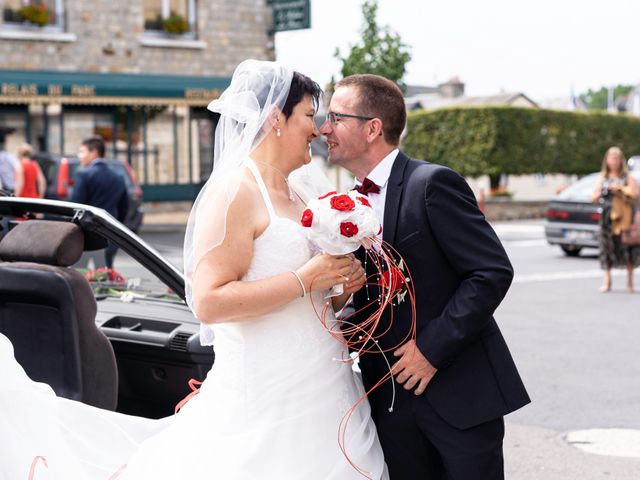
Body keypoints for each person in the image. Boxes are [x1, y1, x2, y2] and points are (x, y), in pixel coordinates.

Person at [0, 60, 388, 479]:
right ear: (276, 117)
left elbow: (316, 289)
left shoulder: (304, 190)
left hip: (326, 381)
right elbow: (208, 301)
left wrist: (339, 284)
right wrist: (303, 279)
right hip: (265, 389)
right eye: (310, 117)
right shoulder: (235, 192)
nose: (317, 130)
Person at [320, 74, 530, 480]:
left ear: (372, 128)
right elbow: (376, 295)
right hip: (390, 400)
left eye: (335, 117)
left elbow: (490, 272)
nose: (324, 128)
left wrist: (431, 351)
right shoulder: (348, 205)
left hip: (459, 394)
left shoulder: (431, 183)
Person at [72, 136, 129, 269]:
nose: (79, 156)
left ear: (93, 153)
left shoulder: (83, 174)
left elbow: (76, 206)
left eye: (82, 152)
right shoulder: (118, 176)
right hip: (109, 232)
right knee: (105, 272)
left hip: (86, 235)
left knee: (81, 273)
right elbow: (124, 208)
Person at [591, 146, 639, 293]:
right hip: (606, 217)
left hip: (623, 217)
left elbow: (635, 194)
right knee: (606, 247)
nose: (614, 161)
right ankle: (607, 281)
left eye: (617, 158)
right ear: (607, 160)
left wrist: (619, 188)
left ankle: (629, 281)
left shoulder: (626, 177)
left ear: (620, 161)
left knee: (626, 247)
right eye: (611, 158)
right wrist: (601, 191)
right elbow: (593, 197)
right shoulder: (603, 177)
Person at [0, 127, 22, 194]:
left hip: (10, 190)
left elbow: (19, 172)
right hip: (5, 189)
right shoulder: (8, 156)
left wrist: (16, 194)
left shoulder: (8, 157)